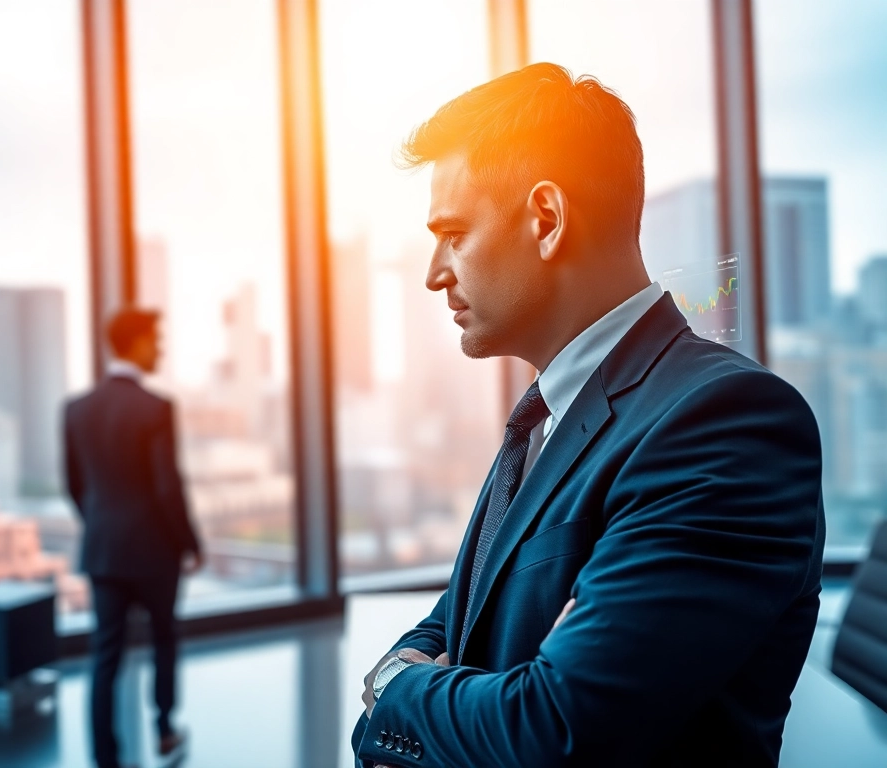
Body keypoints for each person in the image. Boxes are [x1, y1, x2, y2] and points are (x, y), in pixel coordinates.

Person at [353, 63, 824, 767]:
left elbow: (558, 733)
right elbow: (456, 621)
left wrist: (396, 690)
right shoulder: (543, 417)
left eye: (453, 232)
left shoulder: (724, 422)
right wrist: (477, 685)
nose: (434, 272)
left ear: (546, 219)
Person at [65, 307, 202, 768]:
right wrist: (189, 541)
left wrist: (102, 524)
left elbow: (74, 486)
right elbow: (167, 485)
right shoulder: (156, 408)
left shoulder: (77, 409)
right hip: (153, 551)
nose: (159, 349)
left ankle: (105, 756)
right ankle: (164, 730)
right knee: (164, 638)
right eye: (155, 339)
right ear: (136, 341)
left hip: (104, 549)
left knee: (105, 655)